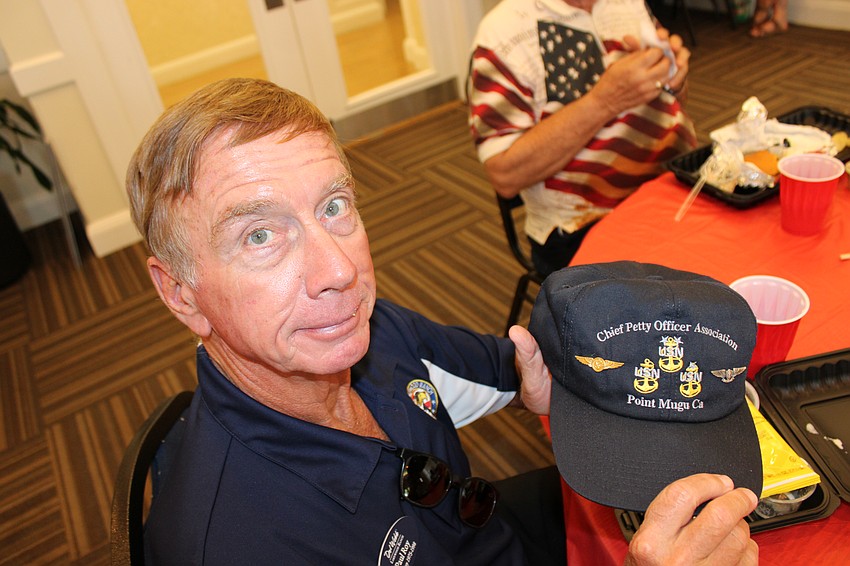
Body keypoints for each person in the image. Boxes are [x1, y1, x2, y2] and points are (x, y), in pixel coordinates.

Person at [127, 77, 758, 565]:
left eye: (335, 205)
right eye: (260, 234)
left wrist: (542, 385)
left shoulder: (360, 333)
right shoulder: (243, 546)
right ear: (179, 293)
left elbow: (507, 372)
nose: (339, 270)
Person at [467, 0, 697, 277]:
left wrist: (674, 79)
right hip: (583, 224)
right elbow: (505, 175)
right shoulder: (502, 33)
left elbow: (673, 98)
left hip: (676, 185)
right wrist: (606, 100)